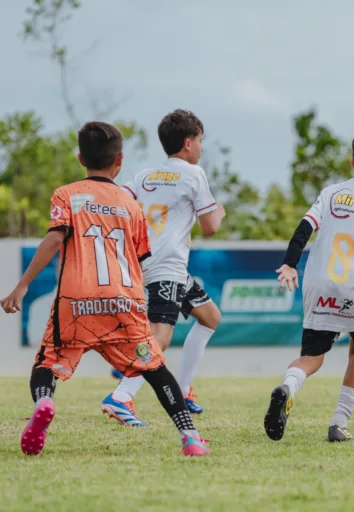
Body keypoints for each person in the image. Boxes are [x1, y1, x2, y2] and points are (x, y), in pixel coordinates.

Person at [1, 121, 209, 456]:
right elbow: (141, 259)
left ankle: (44, 403)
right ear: (120, 160)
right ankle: (190, 437)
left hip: (76, 301)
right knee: (154, 368)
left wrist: (22, 286)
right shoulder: (131, 206)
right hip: (122, 302)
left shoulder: (66, 195)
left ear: (81, 158)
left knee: (47, 362)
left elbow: (55, 239)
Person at [264, 126, 354, 443]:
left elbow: (304, 228)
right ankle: (338, 424)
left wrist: (289, 263)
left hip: (320, 286)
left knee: (312, 357)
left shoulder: (332, 193)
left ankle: (288, 386)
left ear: (352, 162)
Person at [101, 109, 225, 426]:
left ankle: (182, 389)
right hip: (166, 266)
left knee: (210, 317)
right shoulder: (194, 174)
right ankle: (121, 397)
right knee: (161, 336)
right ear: (187, 143)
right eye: (199, 140)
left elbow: (116, 201)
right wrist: (220, 212)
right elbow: (210, 226)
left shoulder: (144, 176)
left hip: (146, 262)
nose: (200, 147)